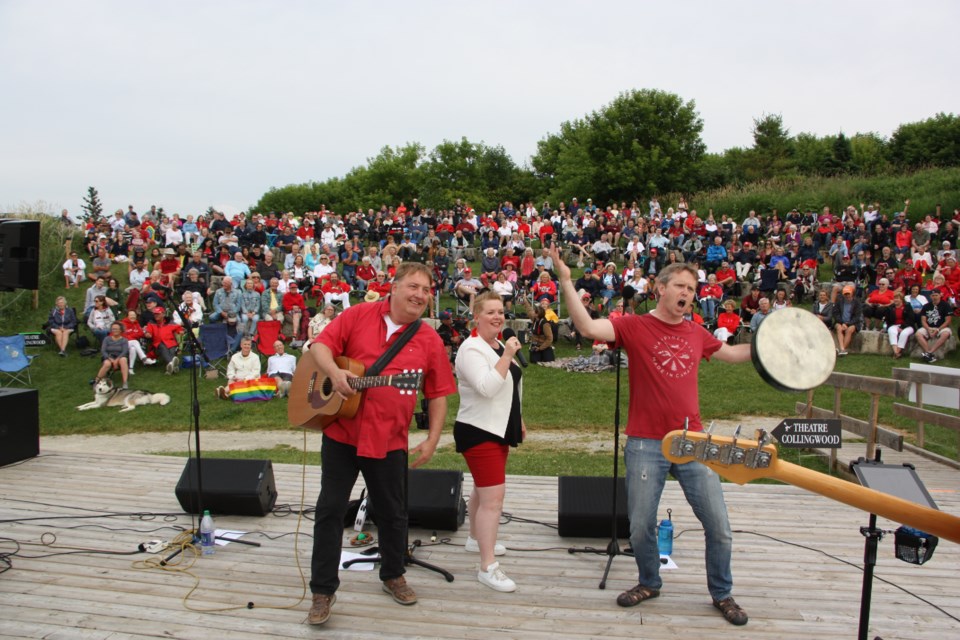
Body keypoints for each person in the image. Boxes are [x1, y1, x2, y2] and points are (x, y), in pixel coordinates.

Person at [549, 243, 752, 627]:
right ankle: (649, 581)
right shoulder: (634, 326)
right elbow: (588, 327)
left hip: (693, 441)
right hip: (645, 443)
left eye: (692, 290)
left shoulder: (697, 333)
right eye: (680, 286)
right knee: (640, 524)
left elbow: (732, 354)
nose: (687, 295)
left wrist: (771, 346)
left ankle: (722, 593)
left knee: (719, 526)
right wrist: (565, 281)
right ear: (660, 288)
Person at [306, 262, 457, 626]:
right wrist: (333, 372)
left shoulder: (428, 339)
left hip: (390, 439)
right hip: (342, 433)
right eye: (413, 286)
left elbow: (437, 394)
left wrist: (433, 438)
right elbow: (321, 347)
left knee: (393, 512)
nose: (420, 294)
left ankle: (392, 574)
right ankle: (323, 590)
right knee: (329, 511)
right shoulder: (357, 314)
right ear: (394, 287)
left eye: (426, 290)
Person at [453, 291, 526, 592]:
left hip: (499, 426)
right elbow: (486, 387)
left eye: (501, 312)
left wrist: (517, 417)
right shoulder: (471, 349)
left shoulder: (497, 344)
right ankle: (488, 566)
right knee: (494, 501)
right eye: (490, 312)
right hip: (478, 429)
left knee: (483, 492)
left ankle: (474, 539)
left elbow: (512, 384)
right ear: (476, 316)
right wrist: (507, 356)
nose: (498, 317)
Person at [916, 289, 953, 363]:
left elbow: (948, 321)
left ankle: (930, 352)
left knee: (946, 334)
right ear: (930, 296)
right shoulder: (926, 306)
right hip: (928, 327)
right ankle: (928, 353)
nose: (934, 297)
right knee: (918, 334)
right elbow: (923, 320)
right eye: (933, 295)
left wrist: (938, 330)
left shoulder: (946, 305)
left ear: (940, 295)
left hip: (942, 327)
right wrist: (928, 329)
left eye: (936, 295)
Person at [96, 322, 130, 389]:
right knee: (107, 364)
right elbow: (103, 351)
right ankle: (97, 380)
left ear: (120, 330)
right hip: (108, 356)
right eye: (113, 329)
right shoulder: (107, 339)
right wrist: (111, 359)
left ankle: (125, 382)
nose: (115, 331)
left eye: (117, 329)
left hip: (120, 356)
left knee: (123, 360)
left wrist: (116, 360)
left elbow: (125, 351)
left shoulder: (124, 340)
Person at [832, 285, 863, 356]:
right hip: (840, 322)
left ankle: (841, 349)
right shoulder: (839, 301)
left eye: (848, 293)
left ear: (852, 293)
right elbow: (836, 314)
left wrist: (847, 324)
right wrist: (842, 323)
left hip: (852, 323)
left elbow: (857, 317)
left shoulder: (857, 303)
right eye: (845, 294)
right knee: (839, 328)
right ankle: (842, 349)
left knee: (850, 330)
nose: (847, 295)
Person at [885, 291, 916, 359]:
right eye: (894, 298)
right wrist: (886, 327)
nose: (895, 300)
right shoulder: (890, 308)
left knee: (904, 333)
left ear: (901, 299)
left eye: (897, 298)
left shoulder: (908, 307)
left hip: (908, 325)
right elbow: (888, 320)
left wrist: (903, 327)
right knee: (891, 331)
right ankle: (896, 352)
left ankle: (897, 352)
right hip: (895, 325)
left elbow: (911, 319)